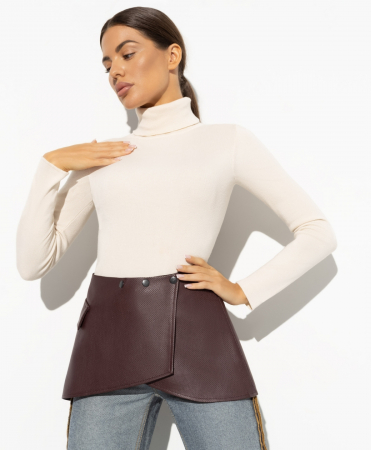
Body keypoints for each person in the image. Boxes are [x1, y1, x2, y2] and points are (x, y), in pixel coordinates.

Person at [16, 6, 337, 450]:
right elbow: (32, 264)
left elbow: (318, 231)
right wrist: (49, 167)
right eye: (107, 64)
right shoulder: (105, 155)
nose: (115, 71)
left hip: (199, 339)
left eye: (127, 54)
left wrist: (243, 290)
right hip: (108, 344)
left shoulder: (227, 142)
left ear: (172, 55)